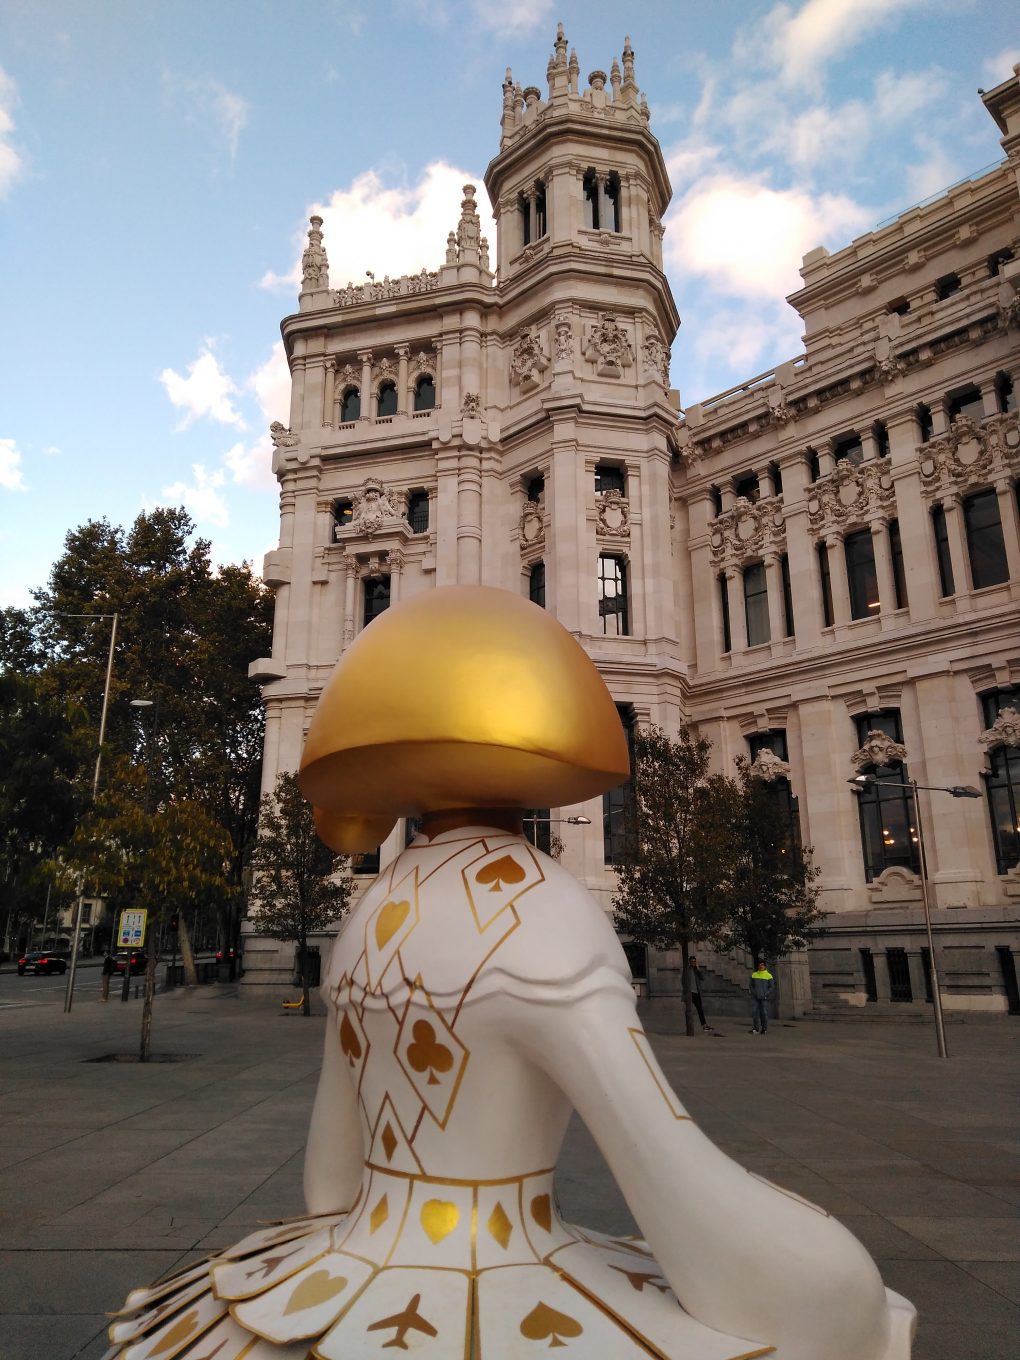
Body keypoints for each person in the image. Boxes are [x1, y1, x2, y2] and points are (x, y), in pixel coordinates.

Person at [104, 588, 914, 1360]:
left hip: (357, 1265)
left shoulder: (367, 918)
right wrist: (836, 1284)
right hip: (508, 1268)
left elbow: (328, 1182)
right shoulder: (546, 915)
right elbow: (667, 1172)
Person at [750, 957, 775, 1034]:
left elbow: (771, 987)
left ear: (765, 966)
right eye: (759, 965)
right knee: (754, 1013)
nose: (761, 966)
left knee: (763, 1013)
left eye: (762, 965)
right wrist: (754, 993)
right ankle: (756, 1028)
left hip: (764, 998)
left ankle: (764, 1028)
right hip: (755, 997)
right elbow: (751, 985)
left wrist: (766, 994)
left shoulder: (769, 976)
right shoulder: (754, 974)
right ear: (758, 966)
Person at [687, 954, 711, 1032]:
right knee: (689, 1010)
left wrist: (698, 969)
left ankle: (704, 1025)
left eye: (694, 961)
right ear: (689, 962)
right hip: (690, 992)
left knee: (700, 1009)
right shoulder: (687, 970)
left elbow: (702, 978)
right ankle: (689, 1026)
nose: (693, 963)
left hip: (697, 993)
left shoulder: (696, 970)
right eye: (692, 962)